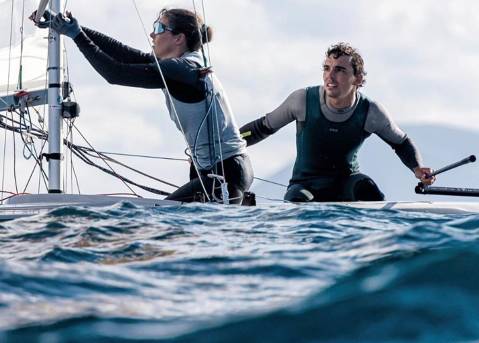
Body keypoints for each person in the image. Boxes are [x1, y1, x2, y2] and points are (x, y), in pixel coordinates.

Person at [31, 8, 253, 204]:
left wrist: (77, 35)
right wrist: (69, 28)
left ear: (179, 38)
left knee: (163, 222)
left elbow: (115, 73)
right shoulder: (182, 65)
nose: (152, 34)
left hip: (224, 172)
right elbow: (124, 54)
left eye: (159, 27)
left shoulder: (183, 70)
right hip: (214, 169)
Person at [240, 42, 435, 202]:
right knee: (297, 198)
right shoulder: (302, 100)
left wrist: (417, 168)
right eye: (326, 68)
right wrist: (229, 145)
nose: (330, 76)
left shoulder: (371, 112)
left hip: (347, 184)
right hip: (305, 186)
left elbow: (401, 142)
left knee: (367, 189)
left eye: (339, 70)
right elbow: (260, 128)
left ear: (357, 78)